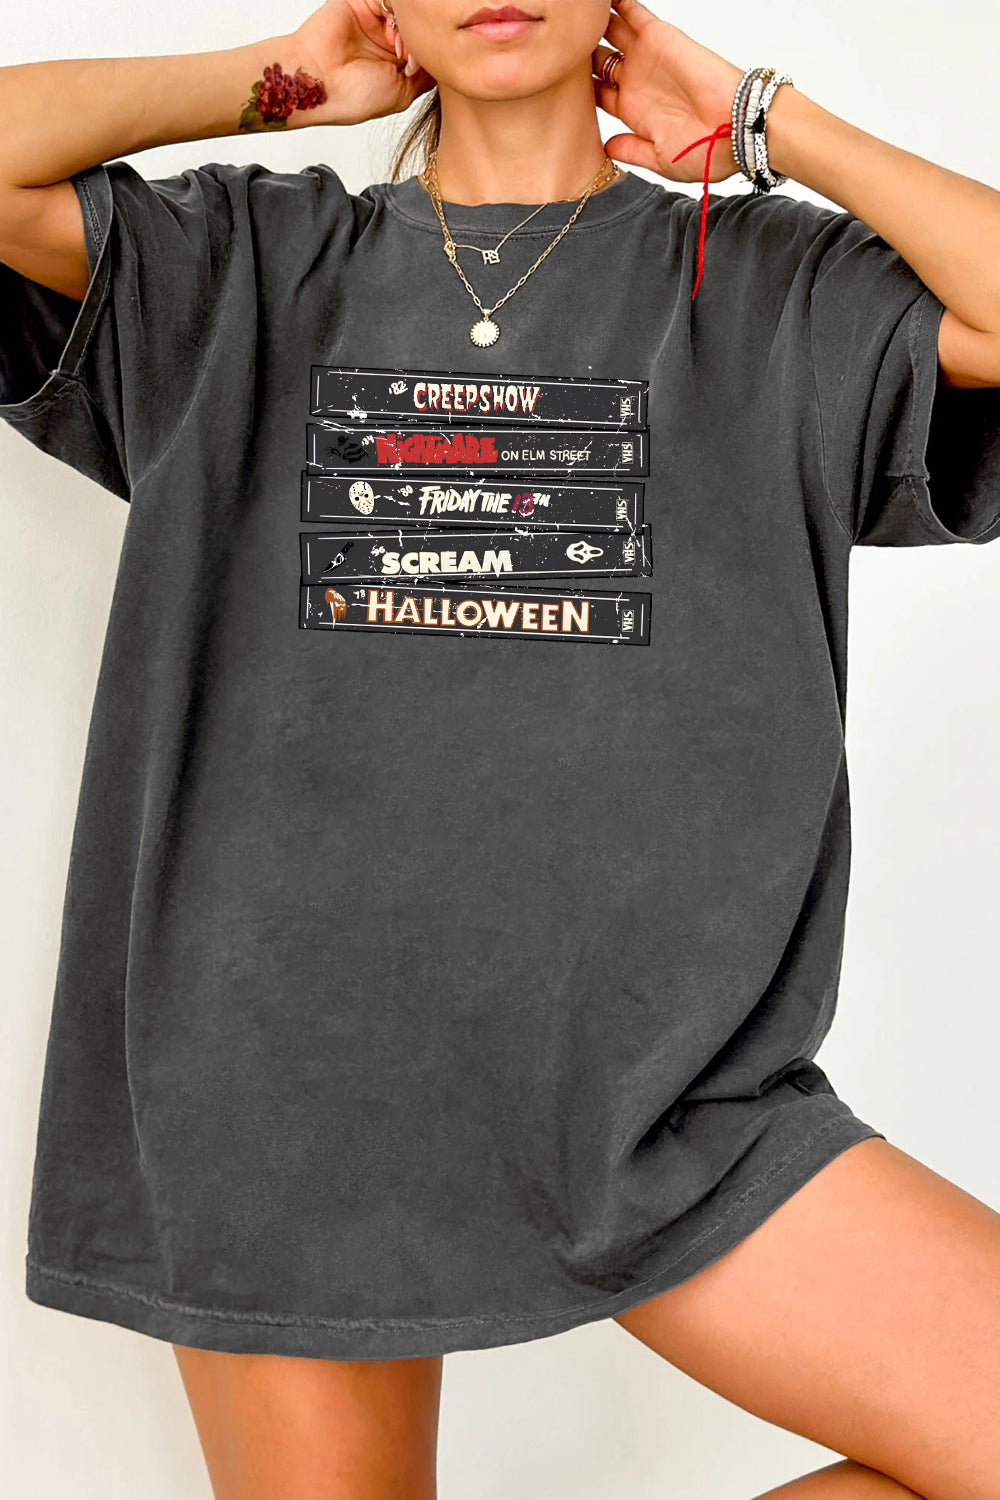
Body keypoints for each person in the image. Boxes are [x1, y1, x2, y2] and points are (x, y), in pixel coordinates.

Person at [2, 0, 1000, 1495]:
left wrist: (764, 123)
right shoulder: (243, 264)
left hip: (665, 1104)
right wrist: (271, 85)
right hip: (283, 1095)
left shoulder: (772, 286)